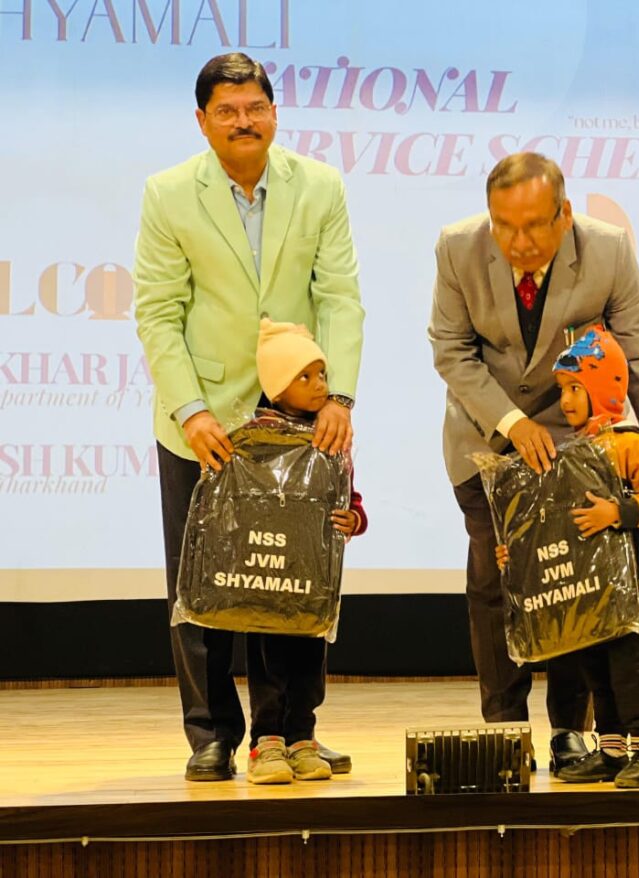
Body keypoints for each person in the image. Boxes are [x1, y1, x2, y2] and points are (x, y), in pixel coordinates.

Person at [133, 52, 364, 781]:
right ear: (202, 121)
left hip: (295, 416)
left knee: (290, 575)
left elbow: (340, 299)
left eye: (255, 107)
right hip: (202, 420)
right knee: (200, 582)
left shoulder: (319, 185)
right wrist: (191, 409)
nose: (244, 121)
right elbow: (159, 313)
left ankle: (286, 730)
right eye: (227, 111)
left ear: (274, 112)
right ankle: (210, 734)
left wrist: (339, 397)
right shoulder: (169, 193)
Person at [428, 153, 639, 774]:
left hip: (577, 446)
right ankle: (505, 729)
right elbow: (452, 351)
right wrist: (510, 423)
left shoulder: (608, 250)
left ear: (564, 214)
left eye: (533, 226)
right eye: (503, 226)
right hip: (487, 439)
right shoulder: (457, 247)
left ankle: (571, 729)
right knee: (496, 583)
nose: (517, 242)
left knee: (574, 579)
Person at [496, 326, 639, 788]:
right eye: (563, 390)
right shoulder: (577, 452)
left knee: (631, 666)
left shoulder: (632, 442)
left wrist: (618, 512)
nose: (566, 400)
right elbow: (559, 522)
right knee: (598, 669)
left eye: (575, 388)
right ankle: (612, 751)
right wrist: (517, 552)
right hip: (594, 585)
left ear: (603, 387)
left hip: (634, 579)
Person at [240, 318, 369, 783]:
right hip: (269, 576)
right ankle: (266, 743)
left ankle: (301, 738)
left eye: (322, 375)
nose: (320, 386)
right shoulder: (257, 439)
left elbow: (348, 497)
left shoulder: (331, 436)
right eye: (305, 376)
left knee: (310, 663)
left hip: (314, 579)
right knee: (269, 660)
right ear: (277, 389)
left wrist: (354, 518)